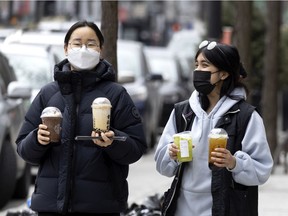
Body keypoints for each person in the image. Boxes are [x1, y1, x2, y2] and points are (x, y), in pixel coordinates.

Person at [16, 20, 147, 216]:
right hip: (50, 206)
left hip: (100, 206)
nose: (83, 49)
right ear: (66, 48)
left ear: (101, 50)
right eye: (77, 43)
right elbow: (24, 150)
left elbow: (136, 148)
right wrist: (37, 139)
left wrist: (113, 141)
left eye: (91, 43)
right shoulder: (48, 94)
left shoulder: (116, 94)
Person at [154, 40, 273, 216]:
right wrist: (171, 154)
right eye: (196, 65)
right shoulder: (182, 112)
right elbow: (163, 166)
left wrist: (234, 163)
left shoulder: (246, 116)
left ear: (223, 74)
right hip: (183, 207)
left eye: (205, 65)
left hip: (227, 207)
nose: (197, 71)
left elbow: (262, 170)